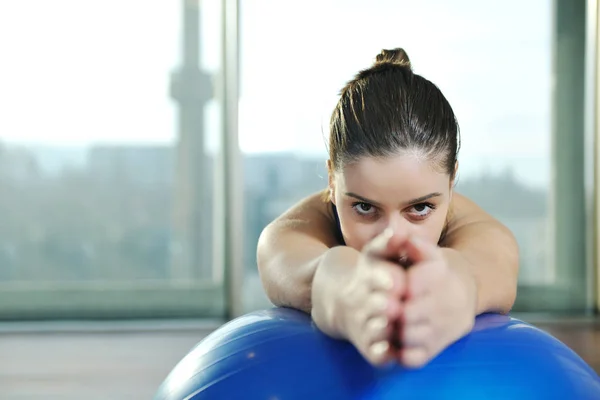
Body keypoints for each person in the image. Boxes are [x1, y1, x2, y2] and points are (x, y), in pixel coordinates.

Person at [256, 48, 519, 368]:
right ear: (332, 181)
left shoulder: (478, 230)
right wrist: (341, 289)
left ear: (451, 184)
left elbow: (496, 261)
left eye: (420, 208)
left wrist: (458, 289)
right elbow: (281, 257)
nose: (393, 238)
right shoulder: (298, 228)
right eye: (365, 207)